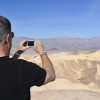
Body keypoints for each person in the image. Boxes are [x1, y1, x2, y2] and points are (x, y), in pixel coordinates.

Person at [0, 16, 55, 100]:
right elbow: (50, 75)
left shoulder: (18, 68)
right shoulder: (22, 68)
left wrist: (18, 53)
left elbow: (6, 68)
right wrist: (42, 53)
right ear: (8, 38)